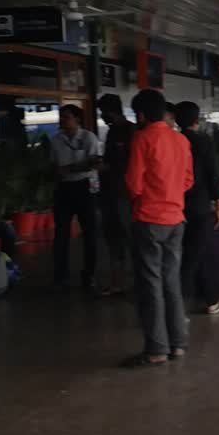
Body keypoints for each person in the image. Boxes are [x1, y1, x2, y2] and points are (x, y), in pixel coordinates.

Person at [123, 89, 193, 367]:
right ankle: (178, 344)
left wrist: (146, 196)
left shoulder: (142, 138)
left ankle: (157, 349)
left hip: (150, 220)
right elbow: (188, 180)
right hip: (176, 219)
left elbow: (133, 184)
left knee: (150, 285)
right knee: (171, 282)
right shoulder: (181, 140)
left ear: (140, 114)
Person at [177, 101, 219, 313]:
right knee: (192, 256)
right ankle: (175, 305)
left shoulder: (174, 140)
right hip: (198, 203)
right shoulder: (202, 140)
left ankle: (211, 299)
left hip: (176, 203)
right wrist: (218, 201)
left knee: (198, 250)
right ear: (197, 120)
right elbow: (212, 173)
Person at [49, 104, 101, 290]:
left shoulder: (88, 137)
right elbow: (54, 166)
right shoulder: (56, 140)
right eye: (61, 117)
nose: (62, 120)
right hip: (64, 188)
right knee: (61, 234)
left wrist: (71, 168)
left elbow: (94, 163)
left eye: (67, 117)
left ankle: (89, 275)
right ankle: (61, 276)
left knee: (90, 234)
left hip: (85, 188)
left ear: (77, 119)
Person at [97, 94, 137, 297]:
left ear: (112, 111)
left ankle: (138, 282)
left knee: (130, 237)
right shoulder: (112, 132)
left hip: (125, 195)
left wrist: (108, 166)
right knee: (113, 238)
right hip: (110, 194)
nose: (102, 117)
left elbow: (131, 164)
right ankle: (117, 282)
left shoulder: (130, 131)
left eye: (103, 112)